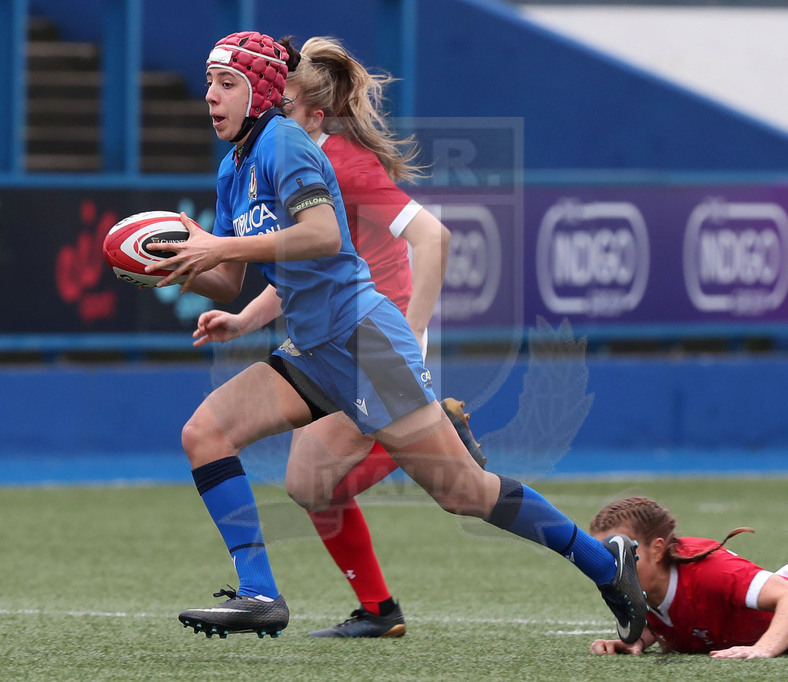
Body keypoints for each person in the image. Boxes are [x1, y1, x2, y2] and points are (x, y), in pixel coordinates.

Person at [145, 30, 646, 644]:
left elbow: (324, 236)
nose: (209, 96)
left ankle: (606, 563)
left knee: (464, 492)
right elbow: (227, 281)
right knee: (205, 433)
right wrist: (177, 267)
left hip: (366, 342)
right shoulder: (234, 168)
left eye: (227, 84)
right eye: (209, 82)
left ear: (264, 92)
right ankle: (260, 593)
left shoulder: (288, 145)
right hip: (313, 351)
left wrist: (219, 245)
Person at [190, 34, 485, 638]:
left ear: (308, 113)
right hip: (336, 333)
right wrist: (244, 319)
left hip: (373, 336)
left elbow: (433, 236)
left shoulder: (338, 164)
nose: (273, 116)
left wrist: (415, 334)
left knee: (430, 488)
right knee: (308, 482)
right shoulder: (278, 164)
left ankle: (438, 436)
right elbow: (300, 268)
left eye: (285, 106)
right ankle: (379, 610)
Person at [588, 496, 788, 658]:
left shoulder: (711, 570)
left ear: (657, 549)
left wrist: (764, 648)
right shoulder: (644, 589)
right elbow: (682, 611)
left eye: (622, 553)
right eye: (603, 556)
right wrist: (638, 639)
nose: (612, 565)